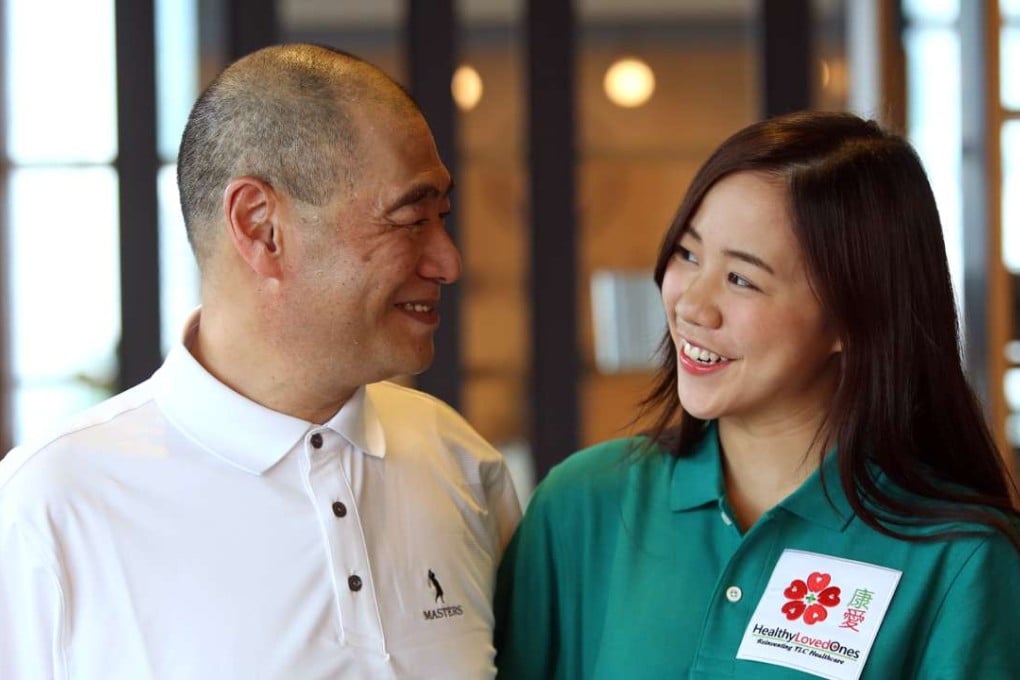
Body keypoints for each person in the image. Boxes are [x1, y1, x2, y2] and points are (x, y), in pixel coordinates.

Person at [0, 44, 521, 679]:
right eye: (411, 219)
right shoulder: (49, 509)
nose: (448, 261)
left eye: (443, 217)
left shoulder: (459, 462)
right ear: (260, 226)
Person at [494, 111, 1020, 679]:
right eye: (688, 254)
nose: (693, 305)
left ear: (853, 316)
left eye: (742, 279)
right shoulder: (583, 505)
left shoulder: (960, 562)